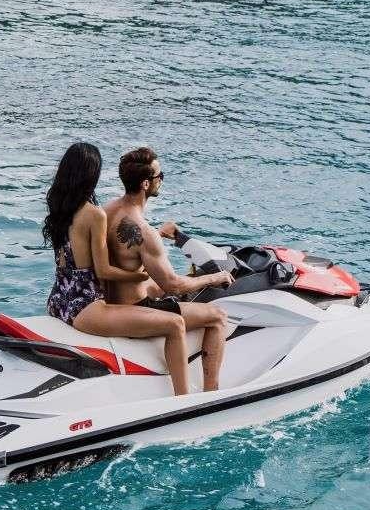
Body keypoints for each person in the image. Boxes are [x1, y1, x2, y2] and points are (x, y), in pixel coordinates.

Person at [42, 142, 206, 396]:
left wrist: (157, 235)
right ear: (91, 174)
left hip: (58, 301)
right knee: (175, 324)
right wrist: (141, 274)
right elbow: (104, 271)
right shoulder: (94, 214)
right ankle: (184, 401)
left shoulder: (60, 208)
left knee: (155, 291)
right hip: (86, 307)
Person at [104, 147, 232, 392]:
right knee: (217, 316)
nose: (161, 181)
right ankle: (211, 392)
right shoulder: (144, 232)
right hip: (134, 308)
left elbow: (125, 251)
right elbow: (172, 284)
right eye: (159, 177)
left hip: (110, 300)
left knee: (174, 283)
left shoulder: (106, 212)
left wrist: (159, 234)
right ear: (145, 184)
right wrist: (214, 277)